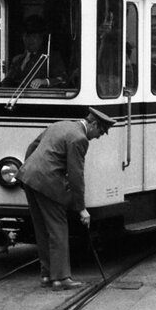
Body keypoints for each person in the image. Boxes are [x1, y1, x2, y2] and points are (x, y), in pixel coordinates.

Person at [16, 107, 116, 290]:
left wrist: (30, 170)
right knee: (58, 229)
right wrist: (81, 209)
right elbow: (76, 175)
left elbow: (32, 146)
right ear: (93, 124)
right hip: (47, 183)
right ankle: (60, 278)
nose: (100, 136)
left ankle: (46, 275)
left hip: (29, 178)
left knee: (42, 229)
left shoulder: (59, 125)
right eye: (101, 131)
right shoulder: (79, 139)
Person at [2, 16, 68, 88]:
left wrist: (45, 81)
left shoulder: (51, 57)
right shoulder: (17, 60)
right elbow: (8, 81)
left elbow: (63, 80)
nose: (30, 40)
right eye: (27, 36)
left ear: (41, 38)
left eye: (34, 36)